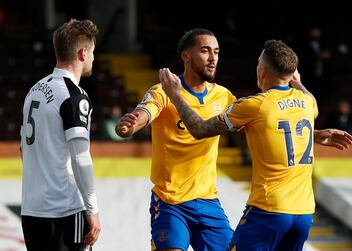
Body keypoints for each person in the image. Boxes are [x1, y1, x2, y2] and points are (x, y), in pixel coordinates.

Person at [159, 40, 352, 251]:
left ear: (261, 71)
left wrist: (175, 96)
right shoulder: (308, 102)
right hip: (304, 213)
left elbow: (200, 130)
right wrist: (311, 130)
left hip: (268, 211)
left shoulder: (254, 105)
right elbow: (288, 125)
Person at [116, 28, 236, 251]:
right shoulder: (163, 91)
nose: (213, 58)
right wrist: (130, 125)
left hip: (209, 202)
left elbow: (258, 123)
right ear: (186, 56)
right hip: (171, 202)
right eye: (205, 51)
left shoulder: (224, 96)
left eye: (216, 52)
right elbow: (144, 114)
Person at [20, 19, 101, 251]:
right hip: (64, 210)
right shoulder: (74, 96)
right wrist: (92, 209)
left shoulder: (33, 90)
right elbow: (80, 157)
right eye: (93, 52)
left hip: (31, 209)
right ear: (83, 53)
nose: (94, 58)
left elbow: (22, 149)